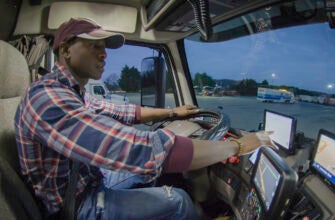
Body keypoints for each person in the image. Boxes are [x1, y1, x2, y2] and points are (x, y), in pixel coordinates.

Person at [14, 17, 275, 219]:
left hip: (86, 180)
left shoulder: (70, 93)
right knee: (179, 200)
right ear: (65, 50)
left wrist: (172, 112)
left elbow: (121, 112)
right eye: (94, 46)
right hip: (76, 205)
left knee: (151, 176)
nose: (104, 54)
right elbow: (135, 149)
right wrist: (238, 145)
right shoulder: (48, 98)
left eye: (104, 47)